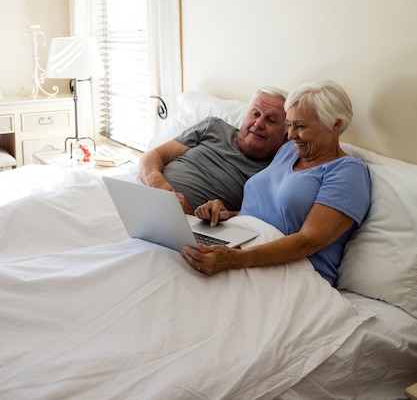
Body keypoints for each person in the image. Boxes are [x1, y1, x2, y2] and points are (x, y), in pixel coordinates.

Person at [181, 80, 371, 285]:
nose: (290, 135)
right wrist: (226, 214)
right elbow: (270, 213)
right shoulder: (288, 151)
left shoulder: (348, 171)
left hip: (292, 270)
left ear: (335, 125)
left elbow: (309, 241)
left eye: (300, 126)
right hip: (240, 248)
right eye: (289, 125)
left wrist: (234, 259)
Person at [138, 87, 288, 214]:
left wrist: (226, 214)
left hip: (185, 222)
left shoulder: (275, 168)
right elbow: (153, 155)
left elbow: (262, 215)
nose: (259, 123)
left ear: (285, 135)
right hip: (144, 190)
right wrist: (157, 182)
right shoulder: (213, 126)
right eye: (255, 114)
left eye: (271, 120)